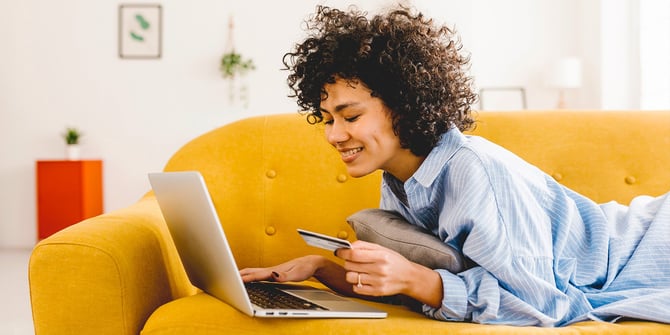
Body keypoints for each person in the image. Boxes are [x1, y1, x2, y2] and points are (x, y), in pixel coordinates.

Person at [240, 5, 670, 327]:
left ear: (403, 107)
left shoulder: (472, 171)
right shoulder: (402, 179)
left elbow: (547, 309)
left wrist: (417, 279)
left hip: (651, 247)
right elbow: (430, 286)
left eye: (350, 117)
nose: (334, 135)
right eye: (328, 119)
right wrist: (321, 270)